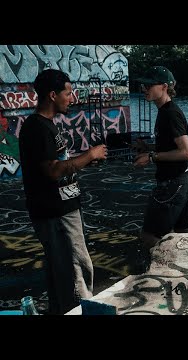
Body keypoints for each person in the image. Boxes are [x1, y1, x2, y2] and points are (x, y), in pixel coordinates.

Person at [18, 69, 108, 314]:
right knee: (75, 271)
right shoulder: (38, 128)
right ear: (52, 95)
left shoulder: (46, 125)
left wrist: (85, 161)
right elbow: (53, 171)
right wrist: (89, 154)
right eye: (68, 93)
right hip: (56, 213)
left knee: (64, 271)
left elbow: (59, 165)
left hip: (62, 209)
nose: (72, 98)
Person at [133, 66, 188, 258]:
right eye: (144, 85)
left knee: (149, 235)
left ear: (165, 87)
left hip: (172, 184)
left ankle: (174, 265)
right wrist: (149, 148)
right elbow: (172, 148)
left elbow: (186, 152)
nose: (145, 89)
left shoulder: (170, 113)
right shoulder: (165, 111)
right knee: (181, 232)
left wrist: (151, 157)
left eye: (150, 85)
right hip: (180, 180)